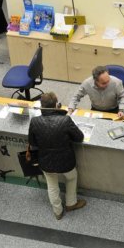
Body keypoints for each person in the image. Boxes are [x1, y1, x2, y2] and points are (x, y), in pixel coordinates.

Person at [28, 92, 86, 220]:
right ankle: (71, 203)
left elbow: (32, 142)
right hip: (66, 161)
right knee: (71, 178)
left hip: (46, 161)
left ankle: (57, 211)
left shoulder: (35, 121)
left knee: (52, 185)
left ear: (41, 106)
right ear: (56, 105)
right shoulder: (65, 120)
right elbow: (79, 137)